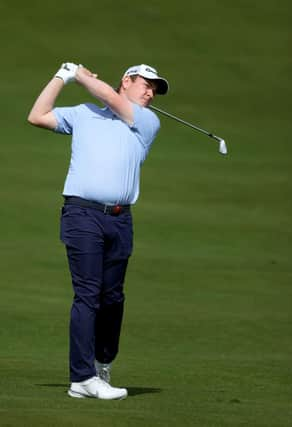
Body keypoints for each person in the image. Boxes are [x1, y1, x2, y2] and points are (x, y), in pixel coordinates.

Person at [27, 62, 169, 400]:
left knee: (113, 297)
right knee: (87, 294)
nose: (150, 92)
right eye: (145, 84)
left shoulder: (147, 120)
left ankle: (103, 361)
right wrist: (61, 77)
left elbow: (109, 96)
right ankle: (82, 378)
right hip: (81, 214)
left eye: (155, 88)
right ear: (127, 81)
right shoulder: (83, 114)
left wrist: (83, 76)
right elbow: (37, 115)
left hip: (120, 220)